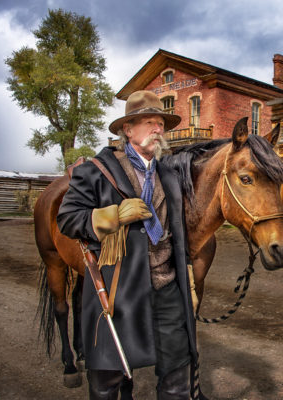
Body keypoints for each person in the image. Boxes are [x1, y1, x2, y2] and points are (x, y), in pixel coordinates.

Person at [57, 90, 199, 400]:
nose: (157, 129)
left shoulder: (169, 175)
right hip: (117, 291)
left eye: (161, 123)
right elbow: (67, 219)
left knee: (177, 379)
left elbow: (178, 232)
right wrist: (113, 216)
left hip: (166, 288)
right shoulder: (96, 171)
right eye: (149, 122)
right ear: (128, 130)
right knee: (107, 384)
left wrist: (186, 274)